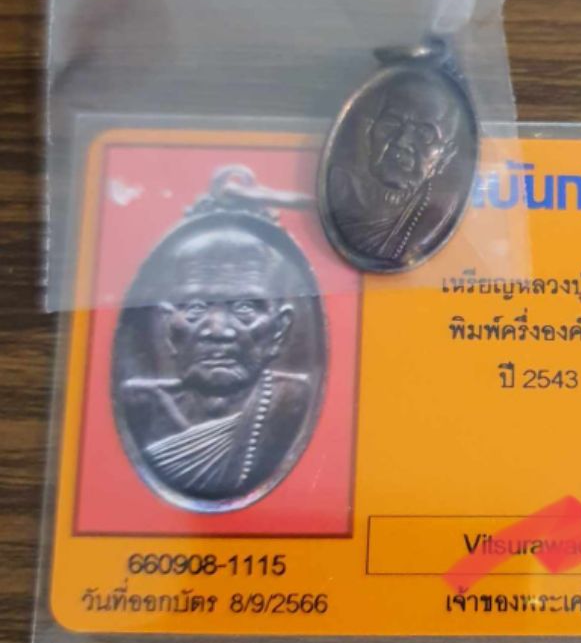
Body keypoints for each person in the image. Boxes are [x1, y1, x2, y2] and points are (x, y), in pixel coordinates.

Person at [120, 225, 311, 503]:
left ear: (280, 330)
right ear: (168, 328)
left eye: (245, 308)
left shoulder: (291, 404)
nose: (218, 331)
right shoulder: (142, 405)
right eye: (195, 308)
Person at [331, 71, 463, 263]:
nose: (402, 141)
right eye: (392, 123)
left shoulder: (439, 212)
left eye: (424, 133)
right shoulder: (339, 186)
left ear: (446, 155)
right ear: (370, 131)